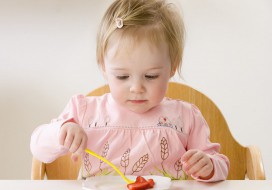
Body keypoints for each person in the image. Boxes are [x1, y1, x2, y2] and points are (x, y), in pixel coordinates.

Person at [30, 0, 229, 182]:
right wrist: (61, 133)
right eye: (122, 77)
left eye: (151, 76)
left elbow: (221, 165)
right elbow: (38, 147)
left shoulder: (185, 118)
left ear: (172, 67)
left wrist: (209, 166)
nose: (136, 88)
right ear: (104, 68)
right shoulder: (85, 111)